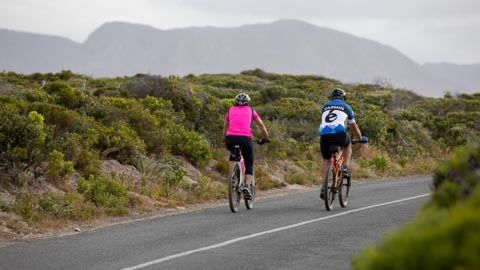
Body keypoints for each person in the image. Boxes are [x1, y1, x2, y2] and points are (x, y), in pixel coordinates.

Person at [319, 88, 368, 198]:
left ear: (332, 98)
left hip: (324, 135)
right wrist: (360, 138)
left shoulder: (325, 106)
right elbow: (354, 127)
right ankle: (345, 167)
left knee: (327, 160)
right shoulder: (347, 107)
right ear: (343, 99)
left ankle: (324, 186)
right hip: (339, 134)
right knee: (347, 144)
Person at [223, 93, 270, 199]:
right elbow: (261, 126)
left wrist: (223, 138)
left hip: (230, 138)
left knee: (234, 153)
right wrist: (266, 138)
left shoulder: (230, 110)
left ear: (235, 102)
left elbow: (225, 126)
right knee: (249, 163)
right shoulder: (251, 111)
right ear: (247, 102)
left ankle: (234, 177)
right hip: (245, 138)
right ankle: (247, 186)